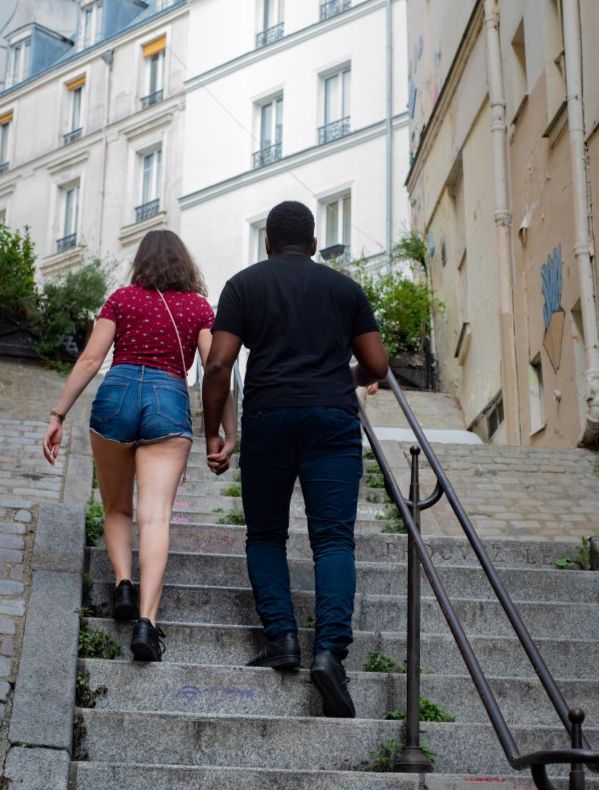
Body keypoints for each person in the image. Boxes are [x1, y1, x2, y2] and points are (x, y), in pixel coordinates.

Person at [201, 200, 388, 718]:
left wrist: (214, 432)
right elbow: (376, 364)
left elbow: (217, 365)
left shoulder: (244, 285)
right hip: (332, 419)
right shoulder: (345, 289)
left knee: (266, 535)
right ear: (313, 243)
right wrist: (341, 377)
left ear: (267, 244)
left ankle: (282, 639)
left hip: (269, 418)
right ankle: (329, 654)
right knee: (333, 539)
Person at [43, 229, 236, 661]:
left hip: (117, 394)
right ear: (185, 265)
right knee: (155, 517)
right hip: (168, 401)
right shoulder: (198, 308)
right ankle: (146, 624)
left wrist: (58, 415)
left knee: (116, 507)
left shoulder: (121, 299)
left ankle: (123, 585)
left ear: (140, 262)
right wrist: (228, 431)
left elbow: (91, 360)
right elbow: (216, 369)